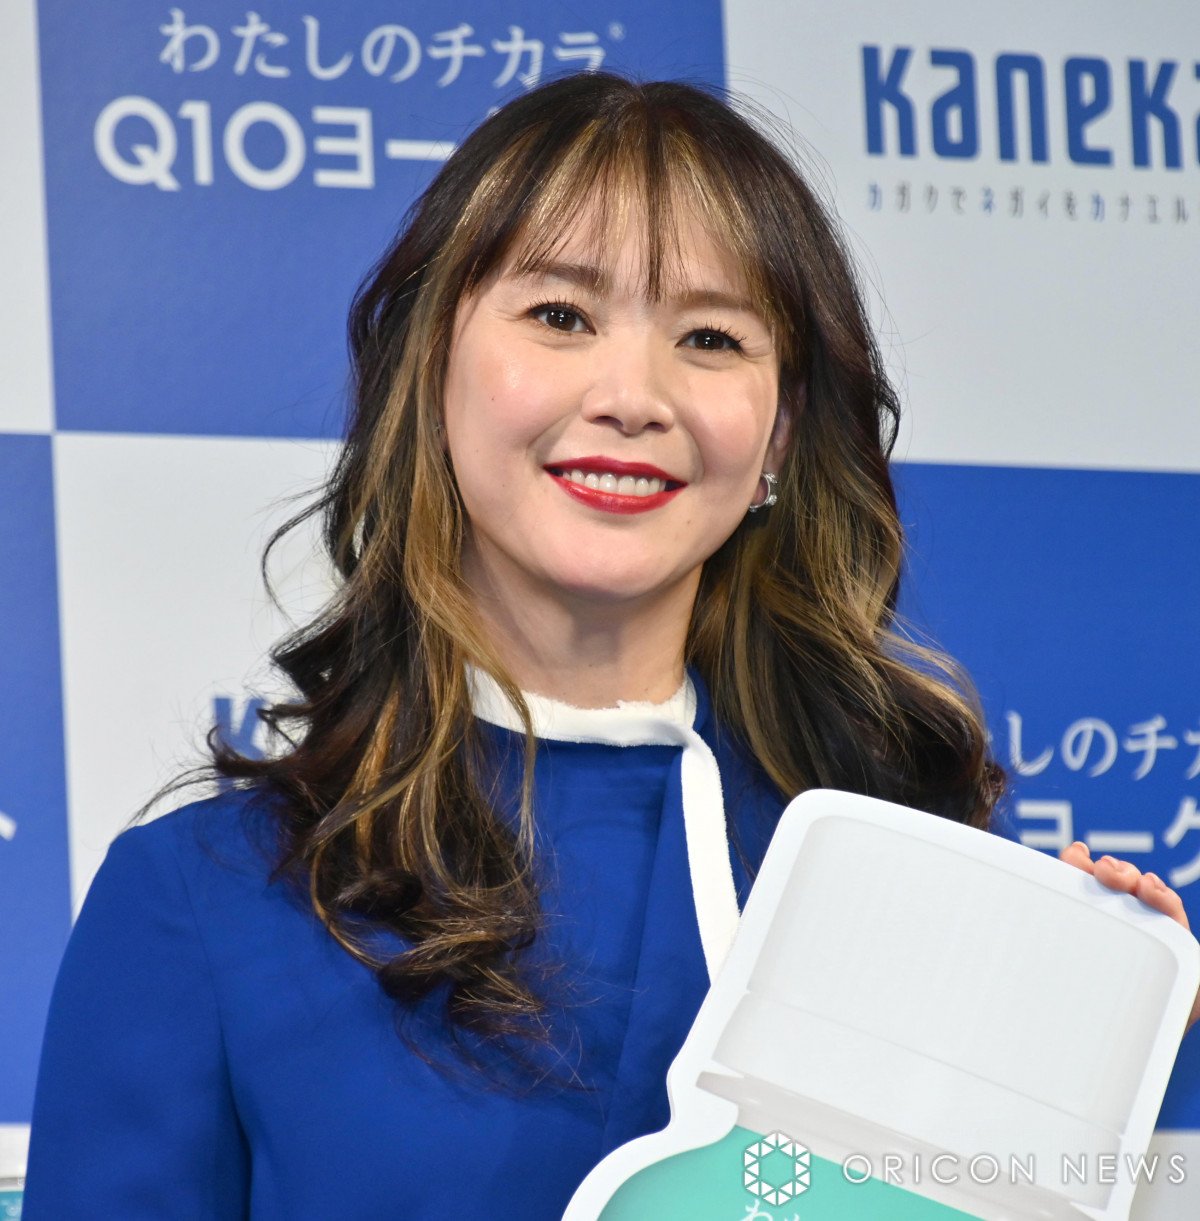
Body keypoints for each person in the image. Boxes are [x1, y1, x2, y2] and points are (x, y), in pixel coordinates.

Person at [23, 72, 1195, 1219]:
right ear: (432, 370)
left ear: (781, 429)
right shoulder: (208, 898)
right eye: (561, 317)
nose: (634, 395)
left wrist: (1088, 1054)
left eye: (711, 337)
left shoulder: (907, 881)